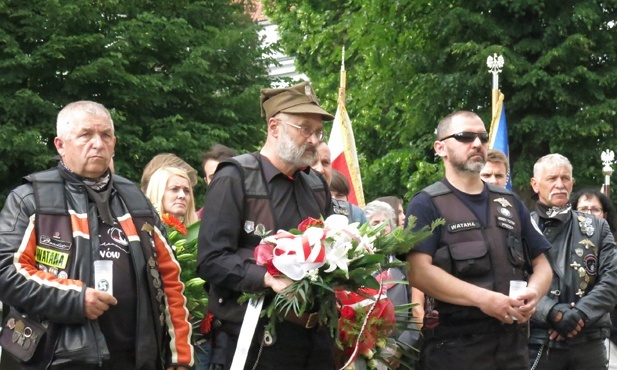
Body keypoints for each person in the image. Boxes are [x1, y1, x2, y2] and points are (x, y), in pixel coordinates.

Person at [0, 101, 193, 369]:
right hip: (55, 359)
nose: (98, 143)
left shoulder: (136, 200)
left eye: (105, 135)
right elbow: (6, 272)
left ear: (114, 143)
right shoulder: (31, 198)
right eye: (85, 135)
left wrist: (178, 355)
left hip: (135, 358)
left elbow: (168, 277)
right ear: (60, 145)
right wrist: (75, 300)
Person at [197, 81, 335, 370]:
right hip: (255, 340)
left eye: (318, 132)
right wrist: (266, 277)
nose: (314, 139)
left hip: (315, 341)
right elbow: (211, 260)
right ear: (274, 127)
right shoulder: (235, 178)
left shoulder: (317, 185)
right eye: (305, 129)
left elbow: (331, 254)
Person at [406, 110, 552, 370]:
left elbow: (542, 264)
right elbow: (418, 272)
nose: (477, 144)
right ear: (440, 148)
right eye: (465, 136)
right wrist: (483, 299)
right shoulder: (426, 204)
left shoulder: (509, 202)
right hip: (456, 350)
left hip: (512, 350)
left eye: (483, 137)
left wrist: (534, 292)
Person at [529, 154, 617, 370]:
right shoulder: (522, 227)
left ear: (572, 183)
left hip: (589, 340)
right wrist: (552, 312)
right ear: (535, 184)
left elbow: (612, 278)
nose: (560, 185)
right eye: (552, 179)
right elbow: (512, 281)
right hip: (539, 340)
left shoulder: (597, 227)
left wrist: (578, 315)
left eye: (565, 178)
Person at [362, 200, 420, 369]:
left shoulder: (404, 266)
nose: (383, 227)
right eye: (376, 223)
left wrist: (402, 347)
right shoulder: (357, 269)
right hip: (365, 352)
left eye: (387, 222)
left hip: (403, 355)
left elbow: (417, 311)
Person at [571, 188, 617, 370]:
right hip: (569, 327)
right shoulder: (562, 245)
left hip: (604, 329)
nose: (589, 214)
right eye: (583, 209)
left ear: (604, 214)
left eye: (595, 209)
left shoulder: (612, 245)